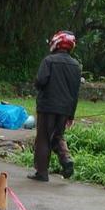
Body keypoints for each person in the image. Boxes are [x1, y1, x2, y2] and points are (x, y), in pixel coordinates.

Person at [28, 31, 81, 182]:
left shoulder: (49, 61)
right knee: (58, 136)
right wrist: (71, 115)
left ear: (56, 43)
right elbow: (75, 93)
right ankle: (66, 159)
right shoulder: (76, 66)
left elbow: (40, 81)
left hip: (47, 107)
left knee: (43, 138)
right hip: (65, 109)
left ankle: (42, 173)